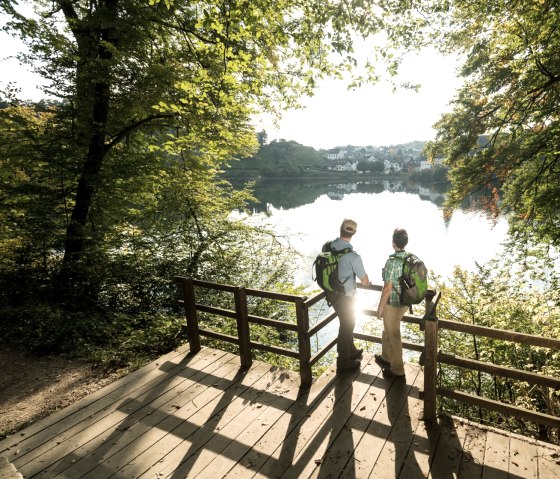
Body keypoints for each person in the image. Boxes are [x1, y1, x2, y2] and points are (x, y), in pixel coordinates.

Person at [325, 218, 370, 372]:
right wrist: (367, 282)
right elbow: (364, 280)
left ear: (340, 229)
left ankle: (351, 350)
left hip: (331, 293)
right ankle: (343, 361)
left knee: (347, 323)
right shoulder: (353, 256)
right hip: (346, 297)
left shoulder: (328, 246)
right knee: (347, 325)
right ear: (354, 233)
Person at [375, 228, 410, 379]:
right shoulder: (410, 258)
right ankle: (386, 357)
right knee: (388, 329)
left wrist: (380, 307)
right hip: (406, 302)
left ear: (393, 242)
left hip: (393, 303)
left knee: (394, 335)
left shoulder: (392, 262)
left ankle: (397, 370)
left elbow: (387, 288)